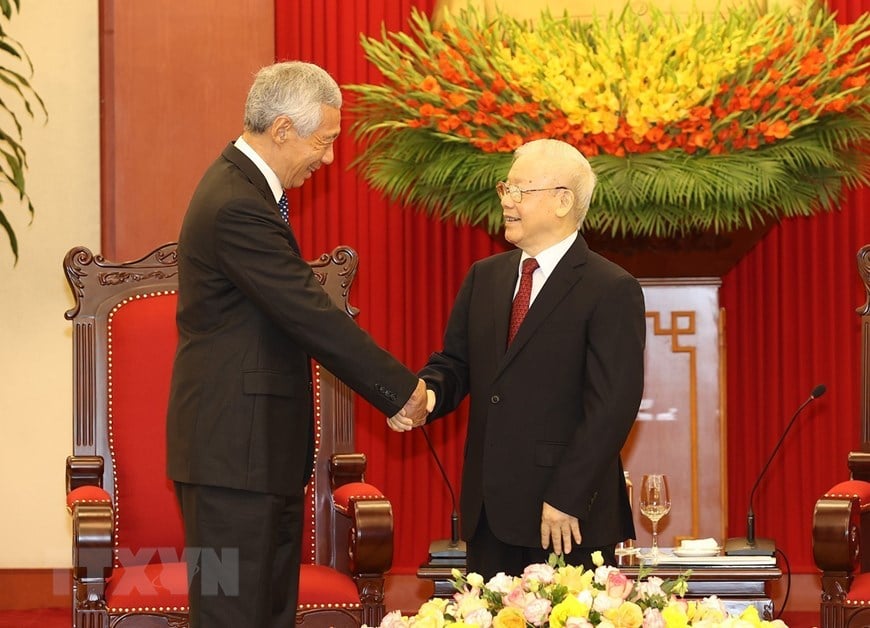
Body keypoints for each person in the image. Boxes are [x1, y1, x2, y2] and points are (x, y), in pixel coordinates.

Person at [166, 61, 428, 628]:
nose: (328, 159)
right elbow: (310, 316)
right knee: (230, 615)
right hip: (230, 464)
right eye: (325, 141)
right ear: (283, 129)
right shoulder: (236, 203)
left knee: (265, 615)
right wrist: (400, 390)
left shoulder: (246, 191)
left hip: (254, 460)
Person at [391, 139, 645, 580]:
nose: (507, 201)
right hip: (489, 512)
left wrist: (567, 496)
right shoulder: (485, 277)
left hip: (566, 516)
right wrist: (427, 395)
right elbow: (455, 364)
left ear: (563, 201)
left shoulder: (610, 288)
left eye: (520, 191)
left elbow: (612, 406)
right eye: (505, 189)